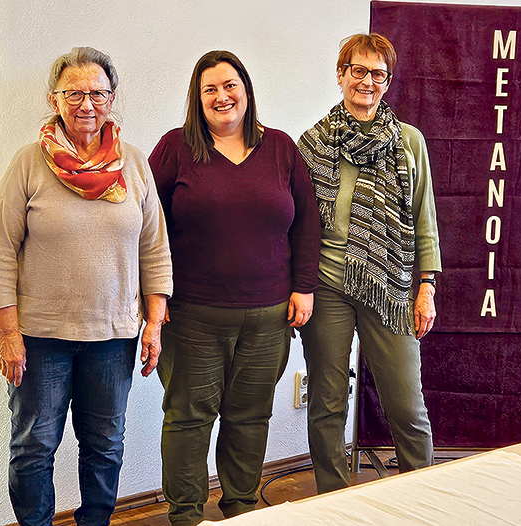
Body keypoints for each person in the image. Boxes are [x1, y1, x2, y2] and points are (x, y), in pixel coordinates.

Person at [0, 47, 173, 526]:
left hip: (112, 336)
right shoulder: (28, 163)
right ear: (55, 100)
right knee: (34, 445)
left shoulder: (133, 164)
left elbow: (155, 249)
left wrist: (153, 323)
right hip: (41, 339)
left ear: (112, 100)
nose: (87, 104)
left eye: (98, 93)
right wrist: (8, 334)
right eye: (75, 93)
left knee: (106, 446)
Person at [148, 50, 321, 526]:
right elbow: (145, 224)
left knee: (249, 417)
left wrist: (303, 286)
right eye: (210, 89)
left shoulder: (282, 148)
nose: (222, 97)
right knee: (188, 418)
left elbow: (307, 224)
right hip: (192, 316)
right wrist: (152, 301)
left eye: (230, 86)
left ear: (246, 90)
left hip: (268, 316)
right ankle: (185, 515)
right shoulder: (175, 149)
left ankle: (241, 510)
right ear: (197, 99)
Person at [297, 33, 442, 494]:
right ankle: (333, 501)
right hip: (327, 286)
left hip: (389, 285)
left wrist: (426, 286)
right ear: (340, 75)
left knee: (405, 404)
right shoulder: (313, 144)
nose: (367, 81)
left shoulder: (408, 142)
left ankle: (420, 498)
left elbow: (424, 217)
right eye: (358, 70)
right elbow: (297, 224)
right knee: (327, 402)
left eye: (378, 73)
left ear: (388, 81)